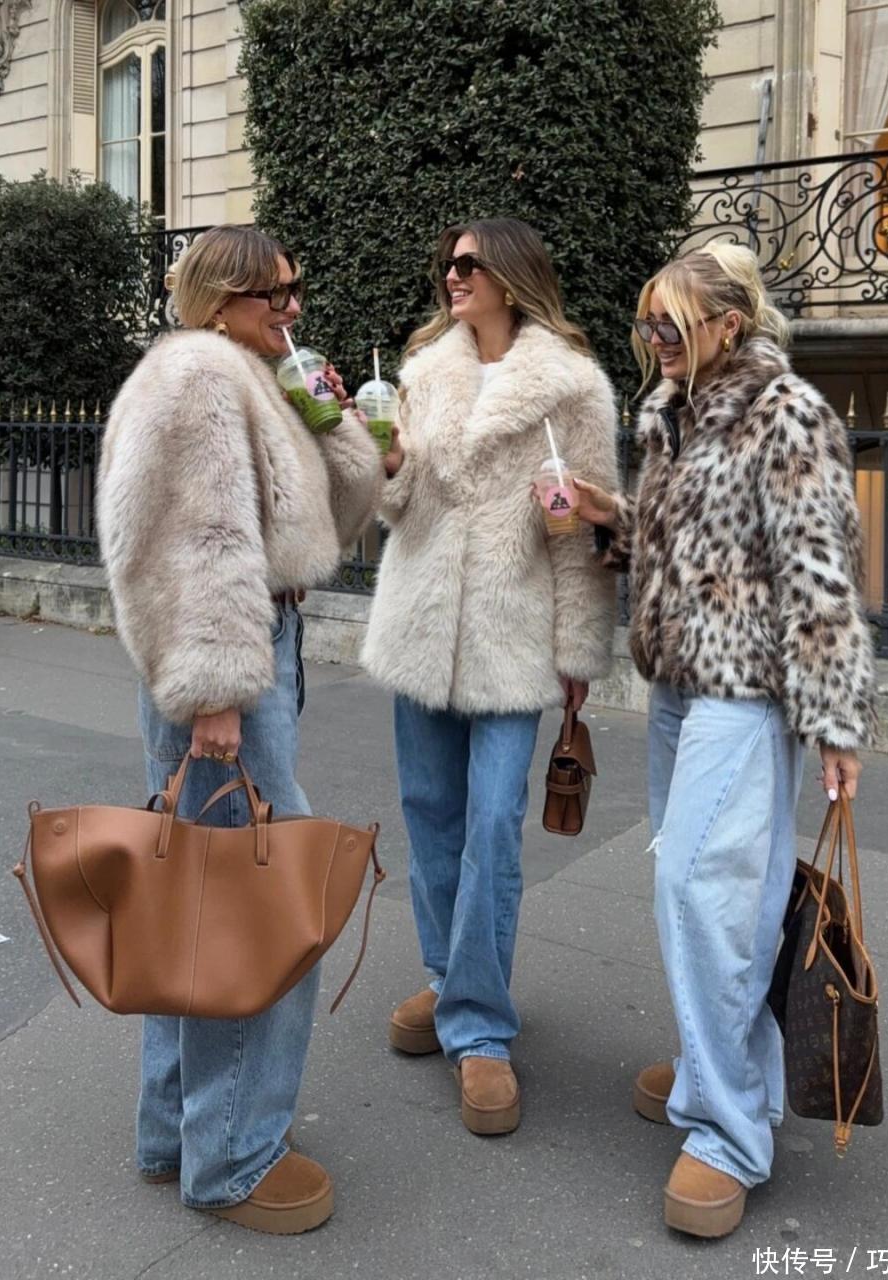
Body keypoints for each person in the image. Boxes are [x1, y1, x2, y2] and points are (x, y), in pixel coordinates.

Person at [574, 242, 876, 1238]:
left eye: (671, 322)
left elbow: (820, 570)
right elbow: (682, 550)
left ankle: (731, 1131)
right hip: (678, 679)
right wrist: (610, 522)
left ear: (729, 323)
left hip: (746, 688)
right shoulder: (672, 412)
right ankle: (722, 1066)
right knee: (719, 890)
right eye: (647, 322)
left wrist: (835, 720)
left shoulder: (784, 412)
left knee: (700, 883)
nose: (653, 337)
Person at [97, 225, 383, 1233]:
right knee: (255, 899)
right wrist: (216, 686)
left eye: (297, 289)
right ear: (222, 300)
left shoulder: (245, 376)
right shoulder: (201, 377)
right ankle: (229, 1155)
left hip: (250, 649)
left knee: (196, 887)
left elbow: (329, 521)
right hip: (228, 656)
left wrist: (331, 424)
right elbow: (199, 538)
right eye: (277, 294)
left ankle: (174, 1133)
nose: (294, 308)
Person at [362, 217, 619, 1135]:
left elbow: (583, 537)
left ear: (512, 275)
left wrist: (579, 655)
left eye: (469, 263)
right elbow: (399, 507)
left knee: (492, 829)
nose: (452, 275)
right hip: (421, 627)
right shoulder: (424, 371)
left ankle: (479, 1028)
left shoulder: (574, 386)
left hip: (513, 637)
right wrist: (389, 465)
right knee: (430, 815)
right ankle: (448, 978)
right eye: (448, 263)